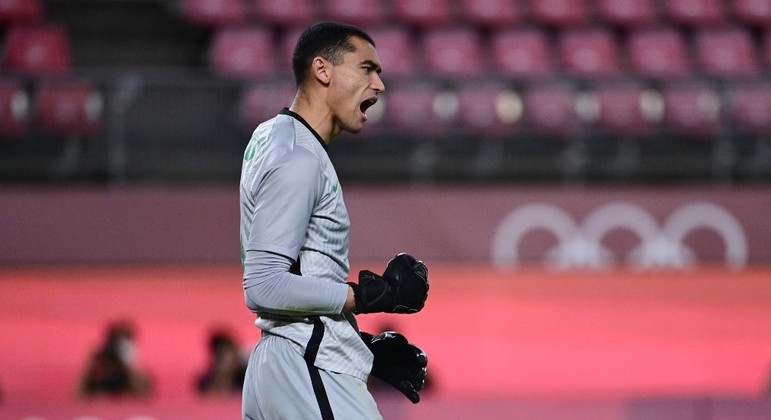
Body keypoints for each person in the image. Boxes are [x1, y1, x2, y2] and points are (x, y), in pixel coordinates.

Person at [239, 21, 430, 420]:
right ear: (323, 70)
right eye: (366, 69)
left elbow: (297, 271)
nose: (379, 84)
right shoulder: (299, 158)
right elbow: (264, 285)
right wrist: (370, 297)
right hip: (307, 366)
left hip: (286, 362)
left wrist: (358, 346)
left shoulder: (272, 136)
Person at [77, 320, 152, 398]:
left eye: (126, 342)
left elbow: (142, 393)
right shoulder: (99, 358)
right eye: (118, 341)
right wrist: (89, 364)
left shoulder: (134, 372)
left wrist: (127, 363)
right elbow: (78, 392)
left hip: (125, 381)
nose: (123, 346)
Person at [195, 328, 248, 395]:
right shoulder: (205, 380)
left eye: (228, 353)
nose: (226, 360)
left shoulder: (246, 378)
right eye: (220, 355)